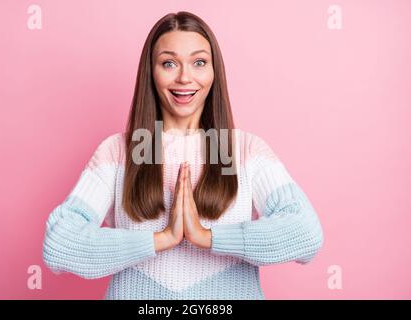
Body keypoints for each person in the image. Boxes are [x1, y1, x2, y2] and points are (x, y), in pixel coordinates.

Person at [42, 11, 324, 300]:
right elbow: (60, 241)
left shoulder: (242, 150)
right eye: (169, 63)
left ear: (214, 73)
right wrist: (160, 239)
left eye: (199, 62)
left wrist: (207, 238)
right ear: (151, 72)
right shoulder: (119, 152)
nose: (184, 77)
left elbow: (305, 232)